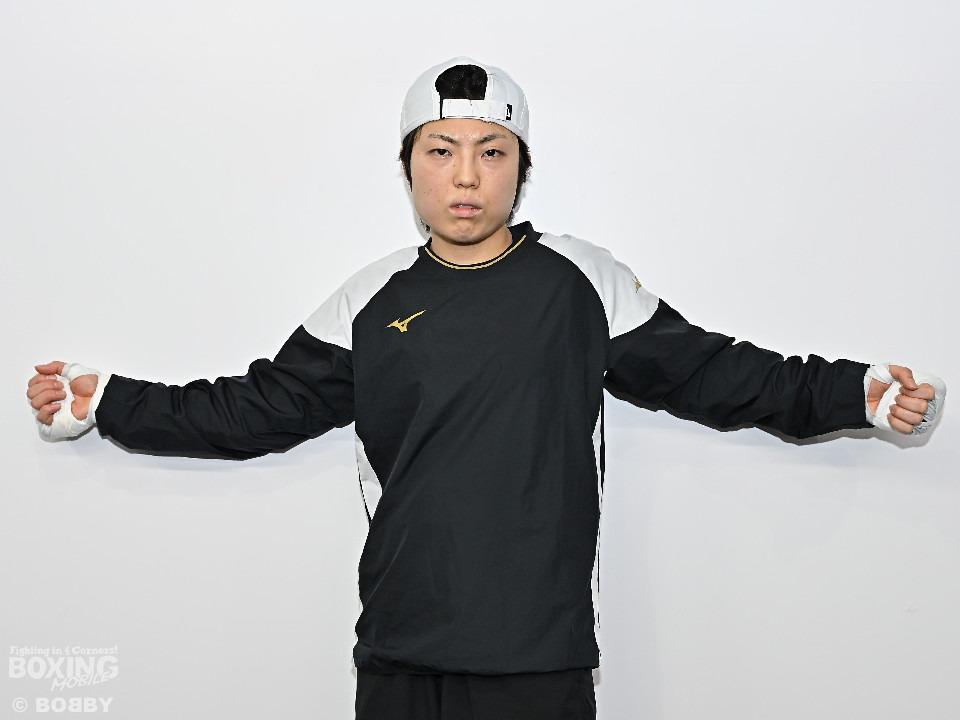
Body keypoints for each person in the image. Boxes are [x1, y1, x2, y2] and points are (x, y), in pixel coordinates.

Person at [26, 58, 945, 720]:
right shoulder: (370, 299)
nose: (465, 175)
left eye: (491, 151)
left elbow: (716, 374)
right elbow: (253, 409)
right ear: (408, 165)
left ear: (521, 166)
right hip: (400, 650)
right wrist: (106, 400)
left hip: (537, 654)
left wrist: (856, 395)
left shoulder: (580, 282)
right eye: (441, 150)